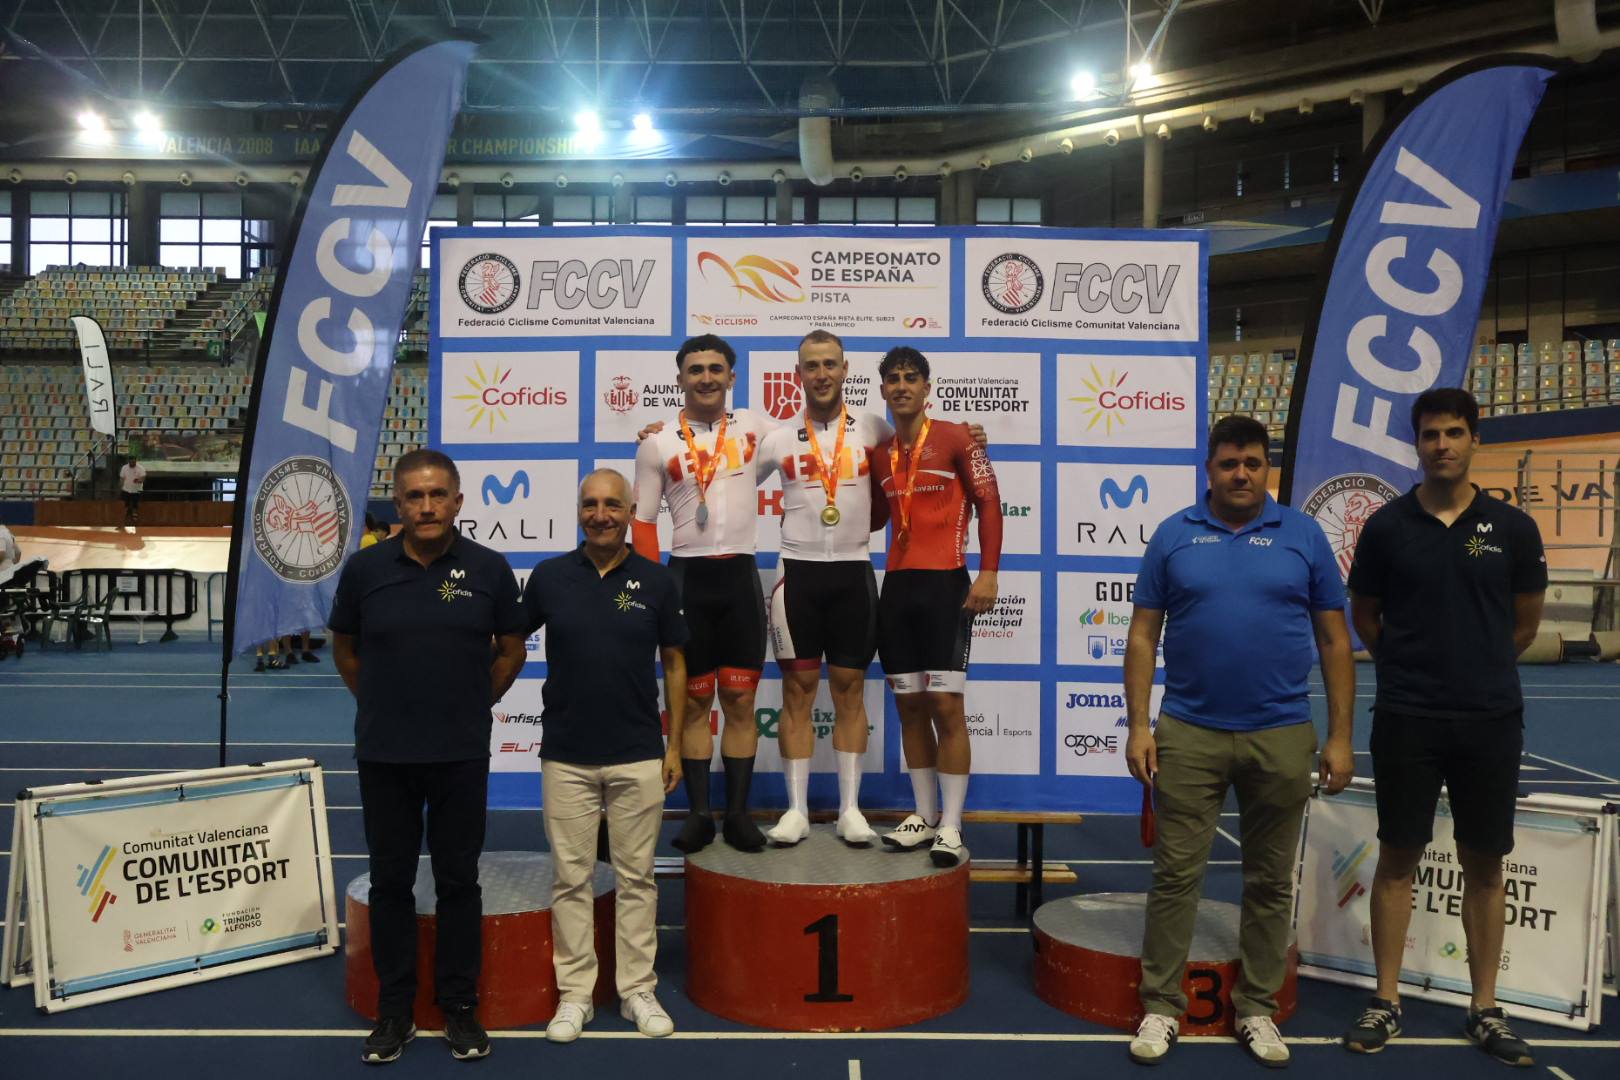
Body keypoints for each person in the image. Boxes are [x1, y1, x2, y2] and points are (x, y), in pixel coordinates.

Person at [1123, 415, 1355, 1069]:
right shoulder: (1174, 534)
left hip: (1281, 734)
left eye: (1252, 463)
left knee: (1271, 880)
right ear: (1210, 469)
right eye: (1229, 463)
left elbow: (1335, 640)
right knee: (1176, 876)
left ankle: (1257, 1007)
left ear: (1266, 468)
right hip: (1189, 732)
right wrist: (1139, 725)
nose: (1241, 474)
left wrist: (1341, 737)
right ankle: (1161, 1006)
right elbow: (1142, 634)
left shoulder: (1304, 535)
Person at [1341, 387, 1546, 1066]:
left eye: (1454, 432)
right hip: (1407, 717)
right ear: (1418, 443)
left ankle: (1485, 1008)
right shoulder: (1386, 528)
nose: (1442, 445)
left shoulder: (1514, 528)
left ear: (1474, 439)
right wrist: (1411, 668)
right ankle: (1386, 999)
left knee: (1485, 864)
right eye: (1431, 434)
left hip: (1490, 720)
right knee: (1397, 858)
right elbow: (1365, 616)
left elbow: (1525, 625)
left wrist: (1476, 669)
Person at [329, 449, 527, 1065]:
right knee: (390, 882)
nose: (427, 506)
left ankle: (459, 1006)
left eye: (438, 494)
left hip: (459, 754)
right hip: (385, 753)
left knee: (457, 882)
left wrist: (473, 704)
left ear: (458, 501)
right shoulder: (365, 569)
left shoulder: (490, 569)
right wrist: (381, 703)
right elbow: (345, 650)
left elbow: (511, 650)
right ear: (398, 503)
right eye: (414, 496)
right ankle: (395, 1010)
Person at [523, 469, 688, 1045]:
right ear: (578, 511)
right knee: (570, 879)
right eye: (591, 505)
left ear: (630, 510)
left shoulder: (658, 581)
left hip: (638, 753)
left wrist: (674, 745)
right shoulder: (548, 578)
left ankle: (637, 988)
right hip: (566, 754)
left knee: (637, 879)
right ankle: (575, 994)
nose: (601, 515)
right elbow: (506, 641)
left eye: (612, 505)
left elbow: (675, 663)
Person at [755, 330, 896, 847]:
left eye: (830, 364)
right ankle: (795, 810)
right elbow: (725, 477)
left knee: (850, 690)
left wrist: (969, 439)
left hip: (853, 572)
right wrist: (660, 435)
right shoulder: (777, 438)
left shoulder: (874, 428)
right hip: (797, 574)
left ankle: (849, 810)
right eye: (811, 366)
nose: (821, 374)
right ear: (798, 374)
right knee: (797, 691)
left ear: (845, 369)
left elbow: (922, 446)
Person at [632, 334, 771, 854]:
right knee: (692, 705)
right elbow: (643, 522)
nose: (706, 378)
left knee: (740, 699)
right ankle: (698, 815)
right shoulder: (658, 443)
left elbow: (823, 438)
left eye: (716, 369)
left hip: (740, 580)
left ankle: (738, 814)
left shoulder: (757, 427)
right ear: (680, 379)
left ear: (732, 377)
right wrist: (653, 591)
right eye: (696, 370)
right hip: (686, 580)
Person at [868, 346, 1003, 867]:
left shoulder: (956, 438)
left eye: (911, 378)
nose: (901, 386)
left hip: (947, 584)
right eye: (893, 379)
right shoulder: (879, 453)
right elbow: (873, 516)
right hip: (898, 589)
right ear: (882, 389)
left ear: (927, 387)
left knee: (946, 705)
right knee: (909, 706)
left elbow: (989, 502)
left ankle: (952, 823)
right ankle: (924, 815)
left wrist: (988, 572)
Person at [118, 456, 146, 525]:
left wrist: (139, 480)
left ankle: (135, 519)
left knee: (135, 505)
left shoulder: (140, 468)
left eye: (133, 462)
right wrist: (121, 486)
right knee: (125, 504)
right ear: (128, 461)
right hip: (126, 489)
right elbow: (122, 478)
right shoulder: (124, 467)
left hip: (137, 490)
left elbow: (143, 477)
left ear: (136, 461)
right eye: (131, 462)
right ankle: (123, 519)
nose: (132, 463)